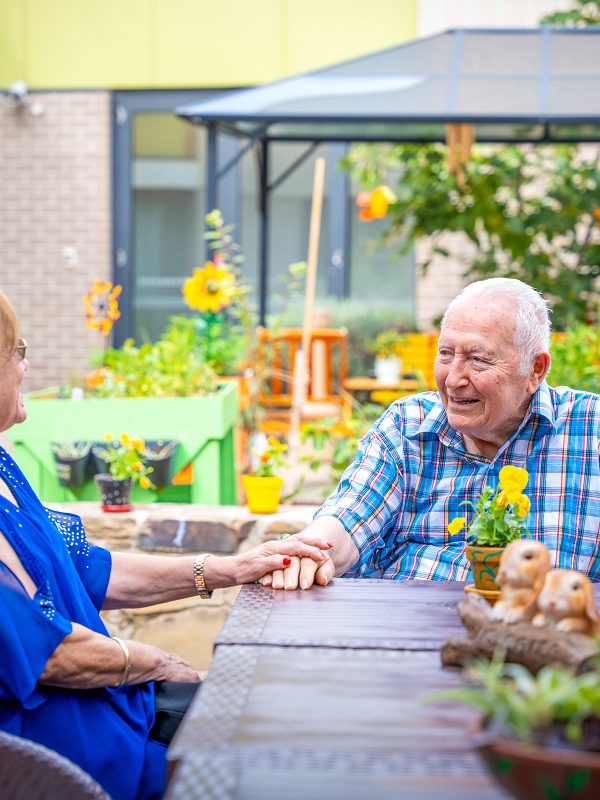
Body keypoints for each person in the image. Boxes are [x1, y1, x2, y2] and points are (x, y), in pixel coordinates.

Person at [0, 289, 330, 799]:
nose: (25, 368)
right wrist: (151, 661)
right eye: (17, 352)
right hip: (59, 757)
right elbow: (48, 655)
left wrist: (230, 568)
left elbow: (88, 569)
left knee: (281, 721)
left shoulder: (4, 467)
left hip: (114, 711)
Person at [262, 278, 600, 591]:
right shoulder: (408, 425)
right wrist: (309, 553)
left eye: (478, 359)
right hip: (409, 639)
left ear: (535, 369)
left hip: (548, 646)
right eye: (446, 354)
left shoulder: (591, 432)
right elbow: (349, 518)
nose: (453, 379)